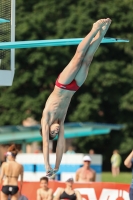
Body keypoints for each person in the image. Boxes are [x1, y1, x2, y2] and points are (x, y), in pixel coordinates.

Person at [40, 18, 112, 178]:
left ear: (47, 130)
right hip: (74, 88)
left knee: (78, 57)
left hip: (62, 85)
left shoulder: (47, 118)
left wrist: (47, 164)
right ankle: (102, 33)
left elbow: (46, 144)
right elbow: (61, 145)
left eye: (53, 133)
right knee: (87, 61)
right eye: (56, 133)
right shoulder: (61, 121)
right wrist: (57, 166)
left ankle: (94, 28)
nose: (56, 131)